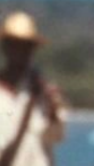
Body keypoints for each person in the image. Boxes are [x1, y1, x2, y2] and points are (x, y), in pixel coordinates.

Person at [0, 12, 66, 166]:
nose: (20, 52)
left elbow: (57, 135)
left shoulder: (43, 89)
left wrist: (52, 107)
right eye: (15, 45)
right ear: (6, 47)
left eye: (26, 47)